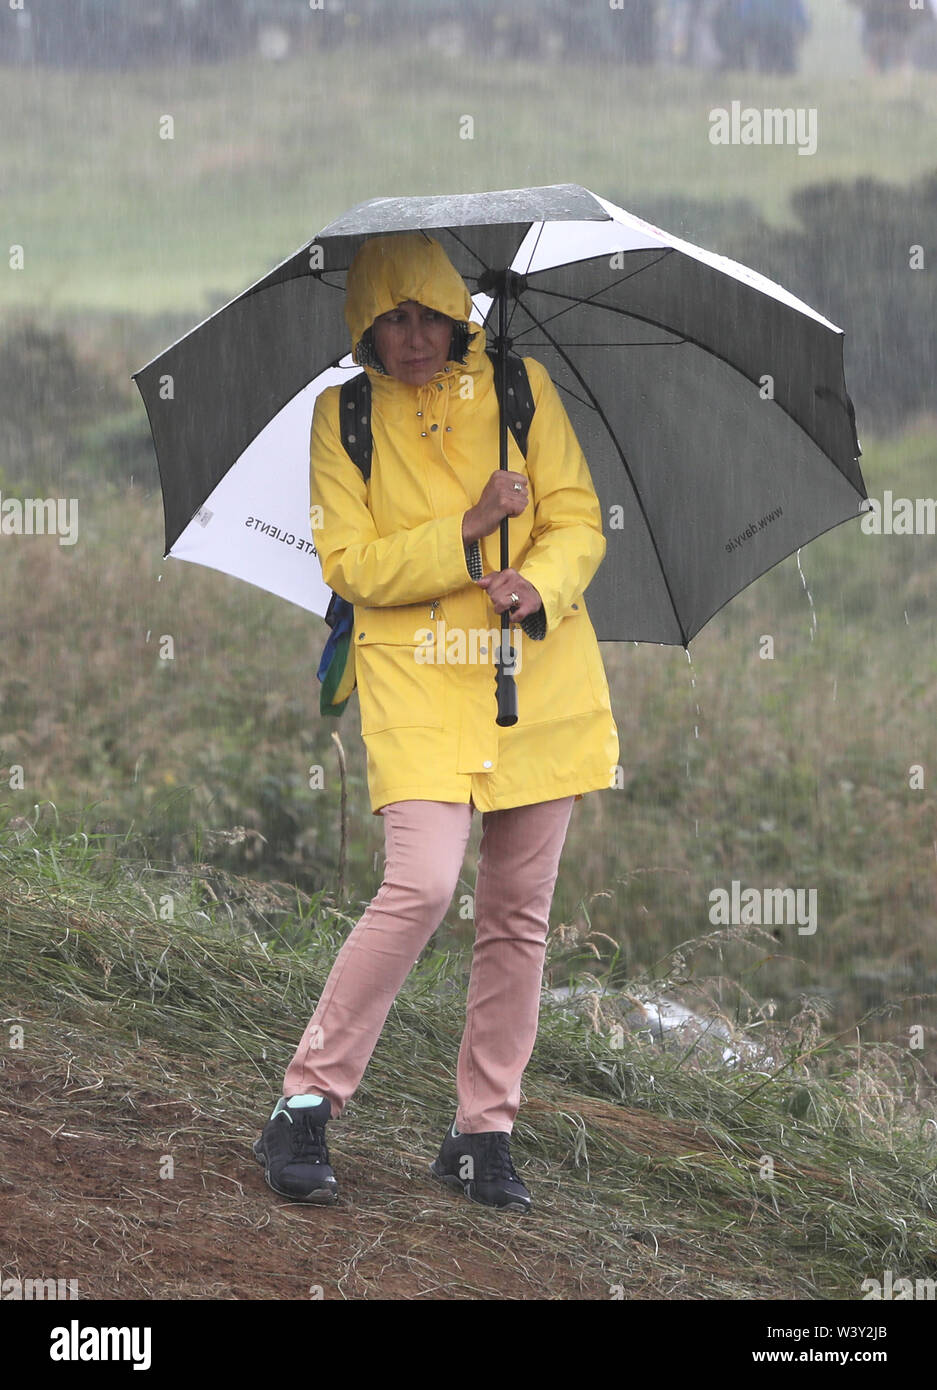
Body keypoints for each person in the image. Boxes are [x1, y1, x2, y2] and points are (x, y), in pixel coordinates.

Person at [253, 231, 620, 1214]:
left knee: (516, 917)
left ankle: (480, 1132)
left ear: (458, 313)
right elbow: (353, 566)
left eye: (426, 314)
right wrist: (464, 535)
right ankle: (305, 1102)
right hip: (413, 679)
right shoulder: (346, 415)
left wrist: (531, 584)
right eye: (390, 318)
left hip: (536, 678)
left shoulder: (520, 388)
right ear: (365, 323)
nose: (411, 337)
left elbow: (579, 518)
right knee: (418, 886)